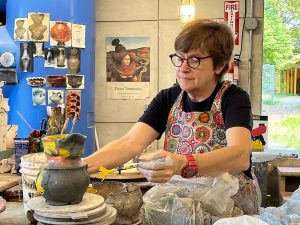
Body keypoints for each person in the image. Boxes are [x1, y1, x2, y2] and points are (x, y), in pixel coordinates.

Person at [84, 18, 260, 214]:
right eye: (180, 58)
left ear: (218, 66)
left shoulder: (234, 98)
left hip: (229, 208)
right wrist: (80, 167)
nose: (183, 68)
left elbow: (240, 155)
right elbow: (129, 143)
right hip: (182, 204)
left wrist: (184, 163)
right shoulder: (168, 98)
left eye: (194, 60)